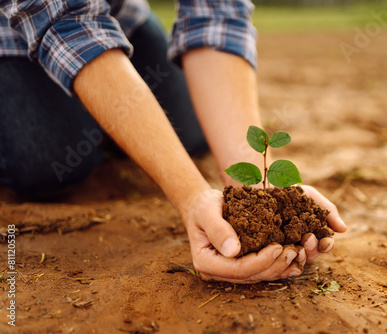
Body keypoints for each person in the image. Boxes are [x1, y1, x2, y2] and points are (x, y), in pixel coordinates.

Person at [0, 0, 347, 283]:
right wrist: (190, 197)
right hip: (17, 29)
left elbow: (217, 15)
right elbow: (69, 24)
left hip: (119, 17)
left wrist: (257, 192)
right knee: (51, 165)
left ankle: (104, 117)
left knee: (191, 132)